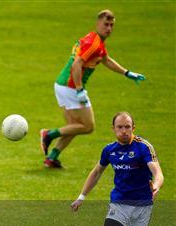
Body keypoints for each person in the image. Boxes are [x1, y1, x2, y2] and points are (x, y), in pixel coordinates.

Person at [40, 9, 146, 168]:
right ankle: (49, 134)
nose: (109, 28)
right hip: (70, 87)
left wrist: (127, 73)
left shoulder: (95, 40)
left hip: (62, 85)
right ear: (98, 24)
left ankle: (52, 158)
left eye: (111, 25)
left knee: (72, 127)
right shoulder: (93, 43)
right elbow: (77, 65)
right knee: (88, 126)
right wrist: (79, 89)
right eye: (105, 24)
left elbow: (106, 60)